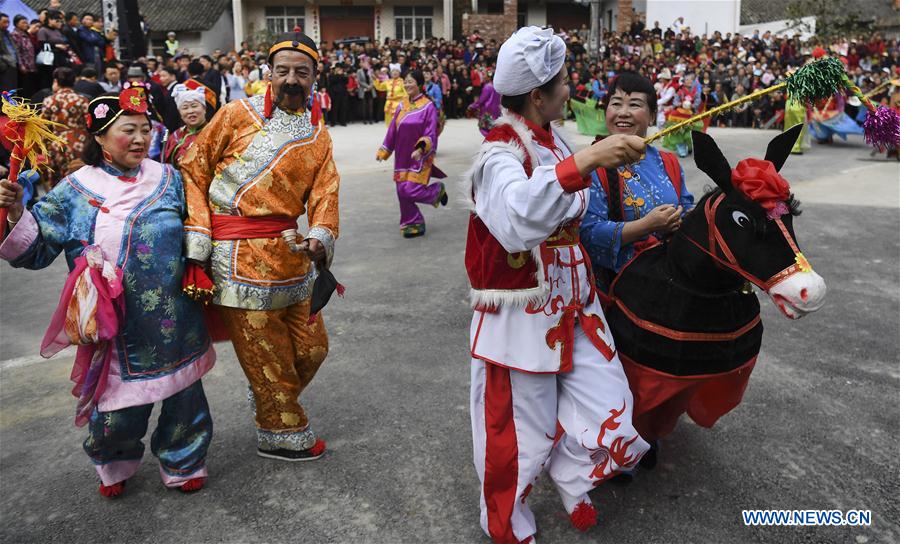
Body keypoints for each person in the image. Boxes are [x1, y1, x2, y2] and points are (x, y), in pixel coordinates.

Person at [464, 26, 650, 544]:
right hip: (523, 317)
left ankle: (571, 477)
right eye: (564, 82)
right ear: (537, 96)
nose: (572, 90)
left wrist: (589, 157)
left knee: (611, 406)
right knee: (523, 432)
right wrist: (587, 161)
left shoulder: (554, 139)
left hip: (576, 303)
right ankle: (506, 520)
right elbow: (517, 219)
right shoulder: (496, 155)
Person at [0, 88, 215, 498]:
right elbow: (36, 249)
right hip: (117, 323)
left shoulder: (170, 178)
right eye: (127, 130)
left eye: (145, 130)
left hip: (177, 318)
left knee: (185, 397)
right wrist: (14, 212)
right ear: (99, 137)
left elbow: (203, 226)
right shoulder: (76, 189)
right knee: (118, 408)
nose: (139, 139)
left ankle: (184, 458)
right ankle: (113, 460)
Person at [180, 30, 339, 461]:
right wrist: (198, 238)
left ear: (314, 78)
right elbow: (192, 169)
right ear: (268, 73)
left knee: (313, 348)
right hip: (236, 256)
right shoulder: (235, 114)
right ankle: (279, 430)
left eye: (301, 73)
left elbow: (326, 193)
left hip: (292, 254)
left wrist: (319, 237)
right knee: (266, 353)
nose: (291, 79)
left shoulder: (317, 135)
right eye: (282, 70)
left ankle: (271, 397)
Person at [581, 71, 694, 293]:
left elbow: (686, 205)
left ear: (652, 115)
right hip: (621, 293)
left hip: (669, 284)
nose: (623, 113)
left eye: (634, 105)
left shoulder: (668, 161)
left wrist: (690, 216)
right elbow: (588, 234)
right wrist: (646, 226)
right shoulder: (591, 163)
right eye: (615, 104)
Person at [376, 70, 448, 238]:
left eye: (411, 82)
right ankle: (412, 222)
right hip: (401, 156)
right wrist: (384, 150)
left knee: (410, 189)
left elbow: (431, 132)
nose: (407, 84)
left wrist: (421, 148)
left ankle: (435, 192)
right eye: (406, 81)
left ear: (419, 84)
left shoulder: (428, 106)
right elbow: (393, 130)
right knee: (402, 191)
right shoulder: (401, 105)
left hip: (419, 156)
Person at [40, 67, 90, 187]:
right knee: (80, 179)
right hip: (80, 142)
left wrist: (44, 147)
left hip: (57, 144)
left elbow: (44, 127)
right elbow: (89, 124)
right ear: (74, 82)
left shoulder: (49, 101)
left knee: (59, 183)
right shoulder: (82, 100)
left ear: (56, 82)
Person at [162, 81, 215, 166]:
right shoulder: (175, 136)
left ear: (204, 109)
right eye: (185, 108)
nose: (190, 111)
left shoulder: (215, 134)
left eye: (194, 106)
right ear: (180, 113)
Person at [0, 12, 18, 92]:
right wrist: (3, 65)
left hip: (12, 64)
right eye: (4, 22)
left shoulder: (7, 33)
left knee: (12, 90)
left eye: (8, 22)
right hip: (4, 66)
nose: (7, 24)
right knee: (5, 90)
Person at [355, 57, 375, 124]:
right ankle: (364, 119)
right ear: (362, 64)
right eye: (365, 63)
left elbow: (373, 79)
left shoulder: (371, 71)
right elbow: (360, 81)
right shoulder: (359, 71)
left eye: (367, 64)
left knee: (370, 106)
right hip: (363, 90)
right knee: (363, 106)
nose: (366, 65)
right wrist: (367, 86)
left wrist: (370, 86)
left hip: (371, 90)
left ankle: (370, 119)